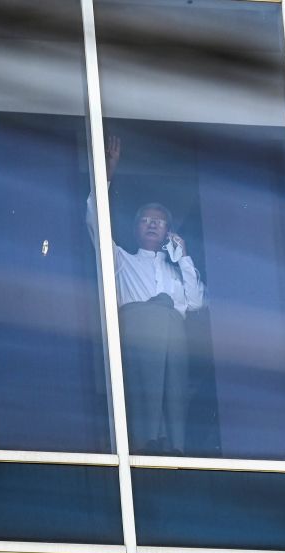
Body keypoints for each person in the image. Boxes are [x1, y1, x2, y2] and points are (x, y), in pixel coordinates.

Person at [86, 136, 206, 455]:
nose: (152, 225)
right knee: (142, 399)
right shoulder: (122, 260)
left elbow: (194, 302)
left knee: (174, 397)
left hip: (174, 341)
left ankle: (174, 448)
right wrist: (107, 173)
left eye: (159, 221)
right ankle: (145, 446)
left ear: (168, 230)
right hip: (139, 334)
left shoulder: (176, 270)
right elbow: (95, 222)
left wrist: (184, 259)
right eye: (146, 220)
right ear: (137, 227)